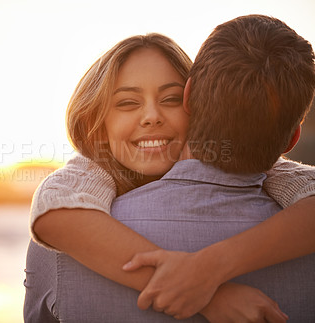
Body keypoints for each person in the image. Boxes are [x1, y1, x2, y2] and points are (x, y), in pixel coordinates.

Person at [24, 17, 315, 322]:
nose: (151, 116)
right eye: (127, 103)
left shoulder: (276, 175)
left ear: (194, 101)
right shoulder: (85, 178)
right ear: (95, 125)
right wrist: (211, 295)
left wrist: (209, 268)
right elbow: (54, 209)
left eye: (171, 98)